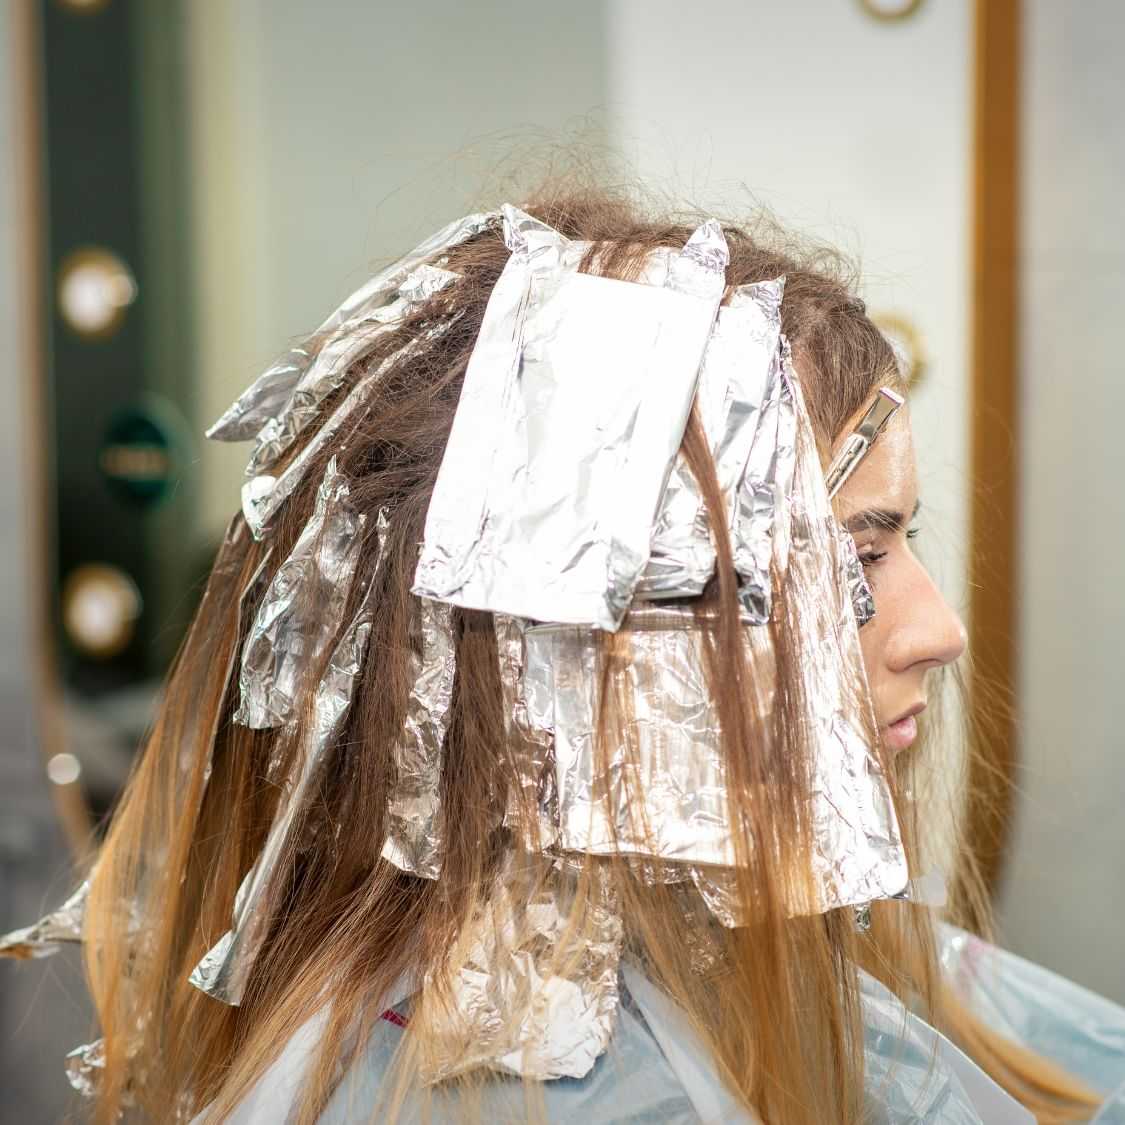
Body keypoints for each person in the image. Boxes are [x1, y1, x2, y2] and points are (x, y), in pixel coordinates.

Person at [6, 187, 1125, 1124]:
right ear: (588, 652)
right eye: (856, 559)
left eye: (903, 541)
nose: (939, 629)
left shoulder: (809, 982)